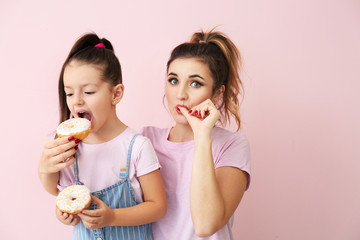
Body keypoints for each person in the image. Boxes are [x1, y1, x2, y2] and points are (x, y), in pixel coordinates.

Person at [38, 33, 166, 240]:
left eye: (88, 92)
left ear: (116, 94)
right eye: (69, 93)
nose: (76, 101)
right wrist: (45, 171)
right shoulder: (70, 147)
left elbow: (158, 207)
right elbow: (56, 190)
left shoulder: (137, 146)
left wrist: (113, 217)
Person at [141, 29, 251, 239]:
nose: (180, 94)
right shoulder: (146, 140)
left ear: (217, 93)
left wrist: (202, 137)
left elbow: (205, 225)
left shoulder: (232, 145)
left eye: (195, 83)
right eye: (173, 80)